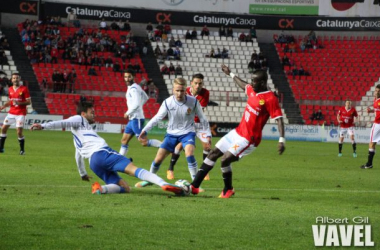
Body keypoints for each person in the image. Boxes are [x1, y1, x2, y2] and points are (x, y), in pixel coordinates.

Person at [30, 101, 184, 196]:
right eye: (91, 112)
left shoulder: (79, 137)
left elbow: (78, 156)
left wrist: (83, 174)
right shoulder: (78, 119)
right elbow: (63, 122)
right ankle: (164, 183)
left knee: (125, 188)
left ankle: (102, 189)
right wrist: (43, 125)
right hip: (103, 153)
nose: (94, 114)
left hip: (93, 163)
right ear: (83, 114)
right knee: (134, 169)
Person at [190, 65, 285, 198]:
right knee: (212, 154)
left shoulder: (270, 99)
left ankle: (228, 189)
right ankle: (194, 186)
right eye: (251, 80)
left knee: (224, 160)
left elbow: (279, 119)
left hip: (249, 139)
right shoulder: (252, 89)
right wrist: (231, 74)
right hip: (237, 132)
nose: (251, 83)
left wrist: (281, 140)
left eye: (254, 81)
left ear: (262, 83)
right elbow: (243, 85)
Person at [135, 77, 211, 188]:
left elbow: (203, 118)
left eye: (182, 90)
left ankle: (195, 185)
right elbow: (157, 117)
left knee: (189, 153)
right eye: (177, 90)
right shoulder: (168, 102)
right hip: (171, 134)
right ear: (173, 90)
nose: (179, 93)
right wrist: (144, 130)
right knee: (158, 159)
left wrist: (207, 134)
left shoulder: (193, 102)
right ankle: (149, 180)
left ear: (186, 90)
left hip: (187, 133)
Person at [166, 74, 211, 181]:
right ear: (191, 83)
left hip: (199, 124)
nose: (198, 85)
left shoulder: (205, 93)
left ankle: (204, 172)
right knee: (179, 146)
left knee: (207, 146)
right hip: (186, 123)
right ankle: (170, 169)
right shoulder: (183, 91)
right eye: (195, 83)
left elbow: (201, 111)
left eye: (200, 83)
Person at [119, 69, 162, 157]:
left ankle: (166, 146)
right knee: (124, 141)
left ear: (133, 77)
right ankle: (119, 160)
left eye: (129, 77)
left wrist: (128, 112)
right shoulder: (135, 87)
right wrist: (138, 107)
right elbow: (146, 97)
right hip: (132, 119)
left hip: (136, 119)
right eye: (125, 77)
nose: (127, 79)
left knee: (144, 142)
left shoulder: (134, 89)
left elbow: (137, 103)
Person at [0, 73, 31, 155]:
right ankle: (1, 148)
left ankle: (22, 150)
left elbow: (29, 102)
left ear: (19, 79)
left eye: (17, 78)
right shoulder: (10, 89)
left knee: (19, 132)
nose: (15, 79)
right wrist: (3, 106)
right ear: (11, 80)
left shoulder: (24, 89)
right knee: (3, 129)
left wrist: (19, 102)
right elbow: (11, 101)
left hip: (20, 113)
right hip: (11, 112)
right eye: (14, 78)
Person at [361, 84, 380, 169]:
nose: (377, 92)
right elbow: (377, 110)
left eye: (379, 91)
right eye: (376, 90)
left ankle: (369, 164)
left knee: (371, 143)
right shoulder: (375, 100)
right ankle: (369, 163)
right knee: (372, 143)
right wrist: (371, 110)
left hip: (377, 124)